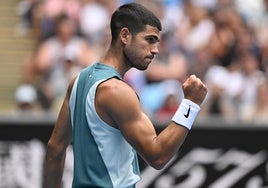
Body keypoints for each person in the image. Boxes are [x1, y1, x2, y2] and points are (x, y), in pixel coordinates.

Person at [43, 2, 207, 188]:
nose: (155, 50)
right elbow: (158, 155)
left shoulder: (78, 82)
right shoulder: (117, 91)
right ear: (125, 36)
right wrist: (191, 104)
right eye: (150, 40)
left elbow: (54, 149)